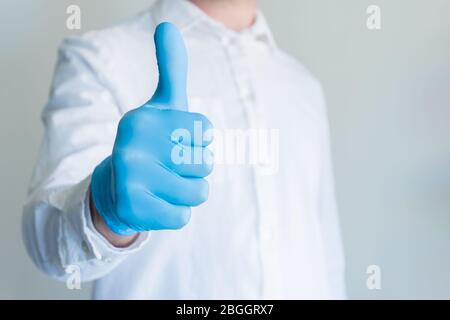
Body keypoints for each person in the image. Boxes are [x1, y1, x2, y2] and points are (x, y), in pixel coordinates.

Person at [22, 0, 346, 299]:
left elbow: (327, 259)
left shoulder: (304, 87)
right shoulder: (99, 59)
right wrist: (105, 212)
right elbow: (50, 247)